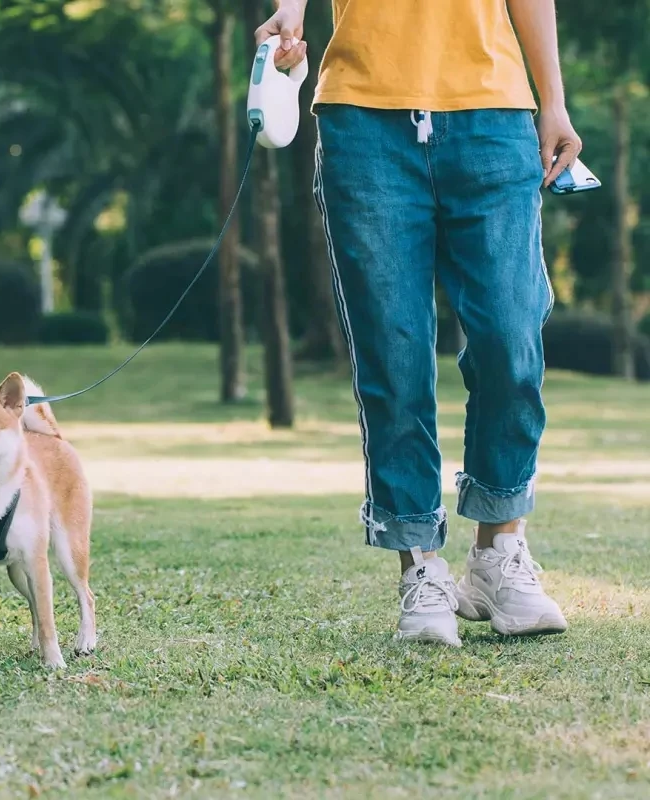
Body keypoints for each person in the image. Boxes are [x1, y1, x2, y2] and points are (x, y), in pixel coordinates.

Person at [255, 0, 582, 646]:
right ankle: (421, 568)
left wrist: (554, 101)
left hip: (493, 110)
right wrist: (289, 11)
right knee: (394, 355)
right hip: (365, 117)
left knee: (511, 338)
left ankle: (499, 552)